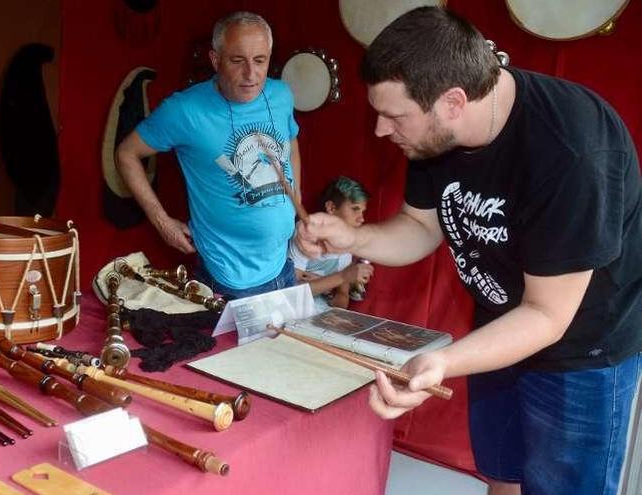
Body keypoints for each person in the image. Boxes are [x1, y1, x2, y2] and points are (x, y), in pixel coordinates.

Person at [295, 7, 641, 495]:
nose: (379, 130)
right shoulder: (436, 137)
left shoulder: (571, 151)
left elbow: (547, 315)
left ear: (453, 102)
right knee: (501, 475)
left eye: (394, 116)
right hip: (498, 330)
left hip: (580, 352)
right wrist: (355, 238)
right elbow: (421, 226)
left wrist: (442, 362)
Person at [116, 11, 301, 300]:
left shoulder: (281, 95)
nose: (251, 75)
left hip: (284, 267)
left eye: (260, 61)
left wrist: (295, 200)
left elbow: (290, 141)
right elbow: (127, 153)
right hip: (226, 279)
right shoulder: (184, 110)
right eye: (238, 61)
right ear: (216, 60)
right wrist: (161, 220)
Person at [288, 176, 374, 310]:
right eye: (355, 208)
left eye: (363, 211)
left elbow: (342, 297)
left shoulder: (348, 241)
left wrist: (322, 286)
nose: (361, 219)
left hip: (322, 314)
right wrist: (338, 279)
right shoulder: (306, 233)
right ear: (331, 208)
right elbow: (291, 293)